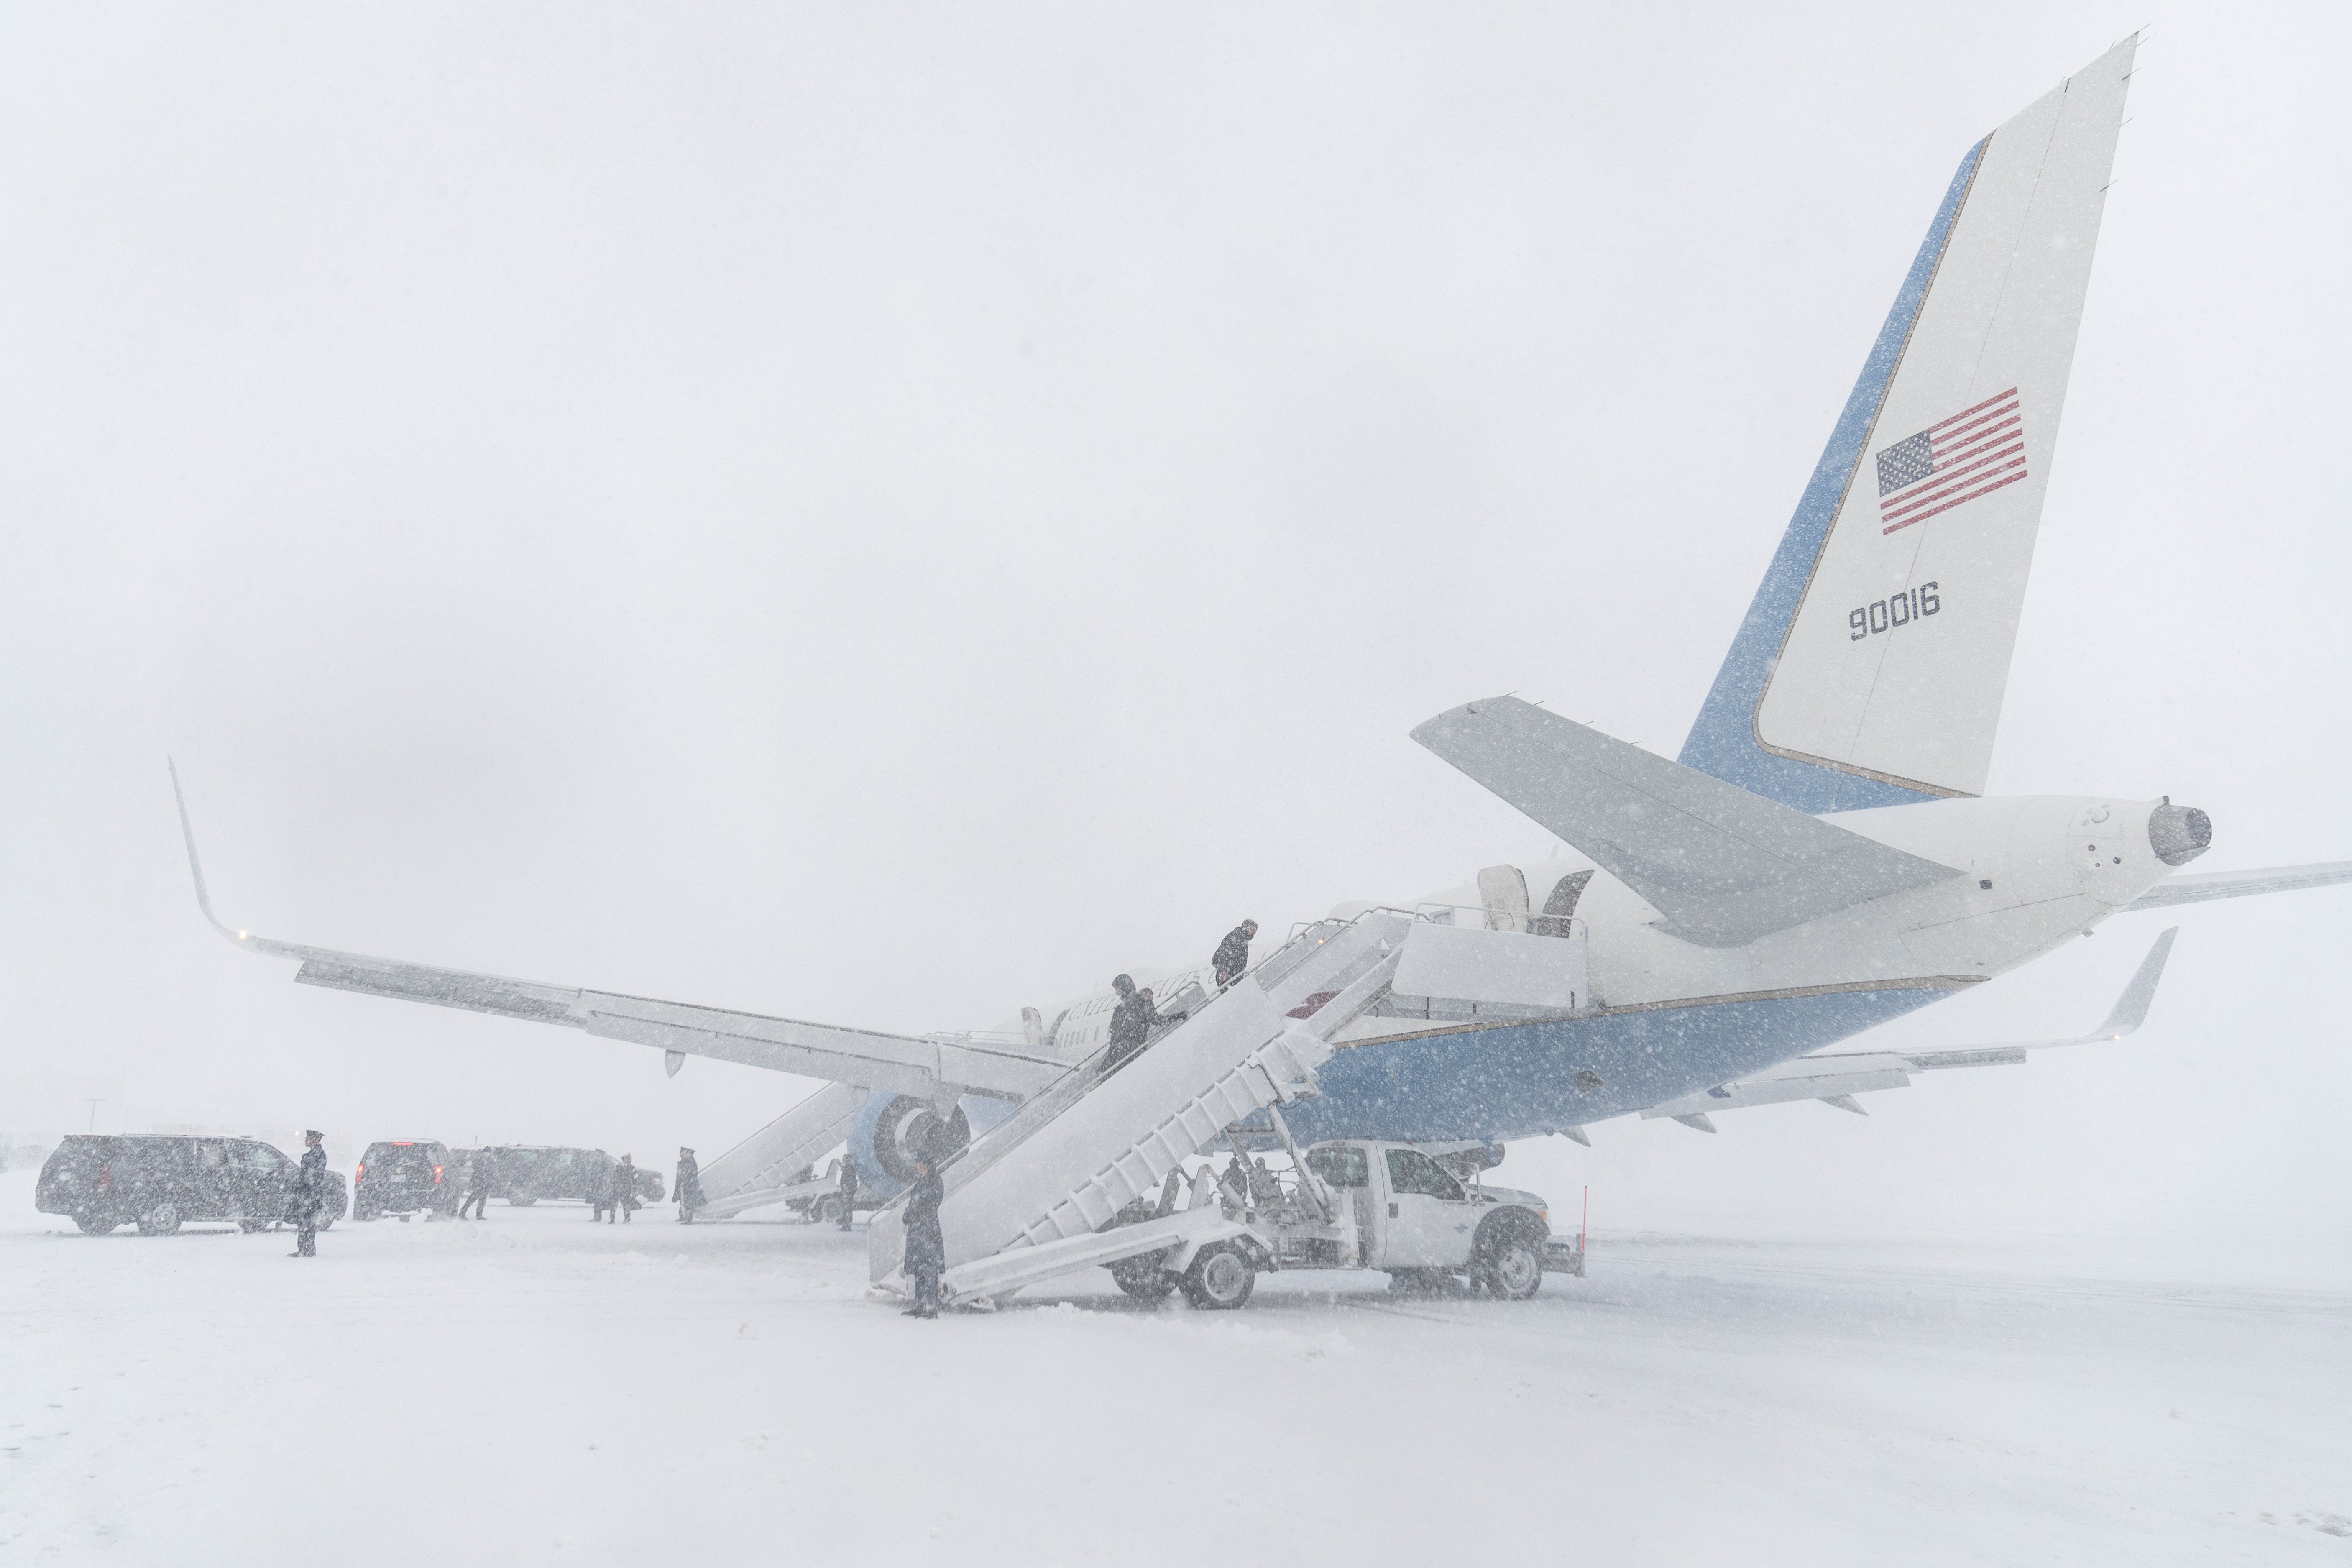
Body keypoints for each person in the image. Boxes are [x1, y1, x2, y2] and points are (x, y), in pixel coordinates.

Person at [901, 1150, 946, 1318]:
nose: (917, 1166)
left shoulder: (934, 1180)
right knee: (919, 1270)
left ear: (924, 1164)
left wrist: (912, 1214)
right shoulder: (924, 1180)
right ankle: (920, 1306)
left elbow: (927, 1203)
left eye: (918, 1163)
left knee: (929, 1269)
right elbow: (916, 1203)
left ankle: (931, 1307)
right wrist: (909, 1215)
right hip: (920, 1229)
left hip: (927, 1230)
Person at [289, 1129, 327, 1258]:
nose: (306, 1141)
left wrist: (302, 1188)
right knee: (306, 1223)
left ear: (315, 1140)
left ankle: (306, 1250)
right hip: (309, 1194)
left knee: (306, 1223)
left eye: (308, 1138)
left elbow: (311, 1177)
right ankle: (306, 1249)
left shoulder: (317, 1155)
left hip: (310, 1195)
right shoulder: (315, 1154)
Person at [1212, 919, 1259, 991]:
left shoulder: (1242, 939)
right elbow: (1216, 958)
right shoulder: (1236, 937)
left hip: (1234, 980)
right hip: (1229, 980)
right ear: (1247, 927)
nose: (1254, 934)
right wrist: (1224, 971)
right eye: (1253, 930)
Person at [457, 1149, 495, 1220]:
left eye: (488, 1153)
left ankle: (479, 1214)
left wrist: (490, 1181)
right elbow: (476, 1169)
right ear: (483, 1153)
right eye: (486, 1153)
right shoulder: (478, 1160)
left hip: (486, 1183)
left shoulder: (491, 1161)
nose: (487, 1154)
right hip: (478, 1182)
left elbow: (492, 1171)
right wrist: (483, 1172)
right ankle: (462, 1213)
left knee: (483, 1200)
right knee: (472, 1198)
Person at [675, 1147, 705, 1224]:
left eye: (686, 1153)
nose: (682, 1154)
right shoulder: (684, 1162)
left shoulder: (690, 1162)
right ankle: (684, 1217)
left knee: (688, 1202)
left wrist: (686, 1182)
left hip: (689, 1186)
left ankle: (689, 1219)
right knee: (683, 1201)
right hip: (684, 1185)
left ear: (690, 1154)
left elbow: (692, 1175)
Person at [835, 1150, 859, 1231]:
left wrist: (846, 1188)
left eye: (844, 1158)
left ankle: (847, 1225)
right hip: (849, 1190)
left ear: (848, 1159)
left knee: (847, 1208)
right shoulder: (849, 1167)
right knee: (848, 1208)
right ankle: (847, 1224)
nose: (843, 1159)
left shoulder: (849, 1167)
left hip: (848, 1191)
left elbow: (849, 1178)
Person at [611, 1155, 637, 1224]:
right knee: (614, 1203)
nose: (628, 1160)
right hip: (618, 1187)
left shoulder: (632, 1168)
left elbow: (634, 1178)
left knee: (626, 1204)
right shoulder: (618, 1167)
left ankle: (627, 1218)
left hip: (627, 1188)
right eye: (627, 1159)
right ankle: (612, 1219)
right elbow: (614, 1176)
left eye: (629, 1159)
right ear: (623, 1160)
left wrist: (634, 1187)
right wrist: (613, 1185)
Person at [589, 1149, 614, 1222]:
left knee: (599, 1201)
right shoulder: (595, 1163)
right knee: (596, 1202)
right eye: (594, 1155)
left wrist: (602, 1185)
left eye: (596, 1155)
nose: (594, 1156)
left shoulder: (602, 1164)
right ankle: (597, 1216)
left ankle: (598, 1217)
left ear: (600, 1156)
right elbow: (593, 1176)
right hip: (595, 1186)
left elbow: (604, 1175)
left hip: (600, 1186)